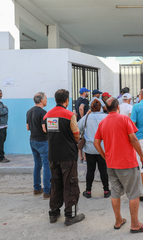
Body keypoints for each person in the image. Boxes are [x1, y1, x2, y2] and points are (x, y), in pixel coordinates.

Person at [93, 97, 143, 233]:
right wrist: (142, 156)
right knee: (134, 194)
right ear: (118, 107)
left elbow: (96, 143)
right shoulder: (124, 119)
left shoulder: (103, 122)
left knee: (115, 193)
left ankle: (118, 220)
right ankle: (135, 224)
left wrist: (105, 156)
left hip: (111, 164)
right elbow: (134, 139)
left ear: (106, 108)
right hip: (127, 163)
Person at [43, 89, 85, 226]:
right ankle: (70, 215)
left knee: (55, 183)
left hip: (53, 155)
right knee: (70, 184)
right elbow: (76, 134)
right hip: (68, 155)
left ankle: (53, 213)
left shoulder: (47, 115)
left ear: (55, 100)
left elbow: (46, 131)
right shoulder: (69, 115)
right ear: (66, 100)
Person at [78, 100, 110, 199]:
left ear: (91, 107)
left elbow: (78, 127)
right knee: (103, 170)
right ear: (100, 107)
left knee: (90, 170)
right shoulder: (106, 117)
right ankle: (106, 190)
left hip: (89, 148)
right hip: (102, 148)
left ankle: (88, 191)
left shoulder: (86, 117)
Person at [26, 92, 51, 199]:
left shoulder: (29, 111)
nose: (46, 100)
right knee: (46, 166)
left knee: (37, 164)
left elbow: (28, 127)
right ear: (41, 100)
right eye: (45, 98)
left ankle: (37, 188)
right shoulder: (43, 113)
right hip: (42, 141)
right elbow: (45, 129)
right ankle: (47, 191)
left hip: (32, 140)